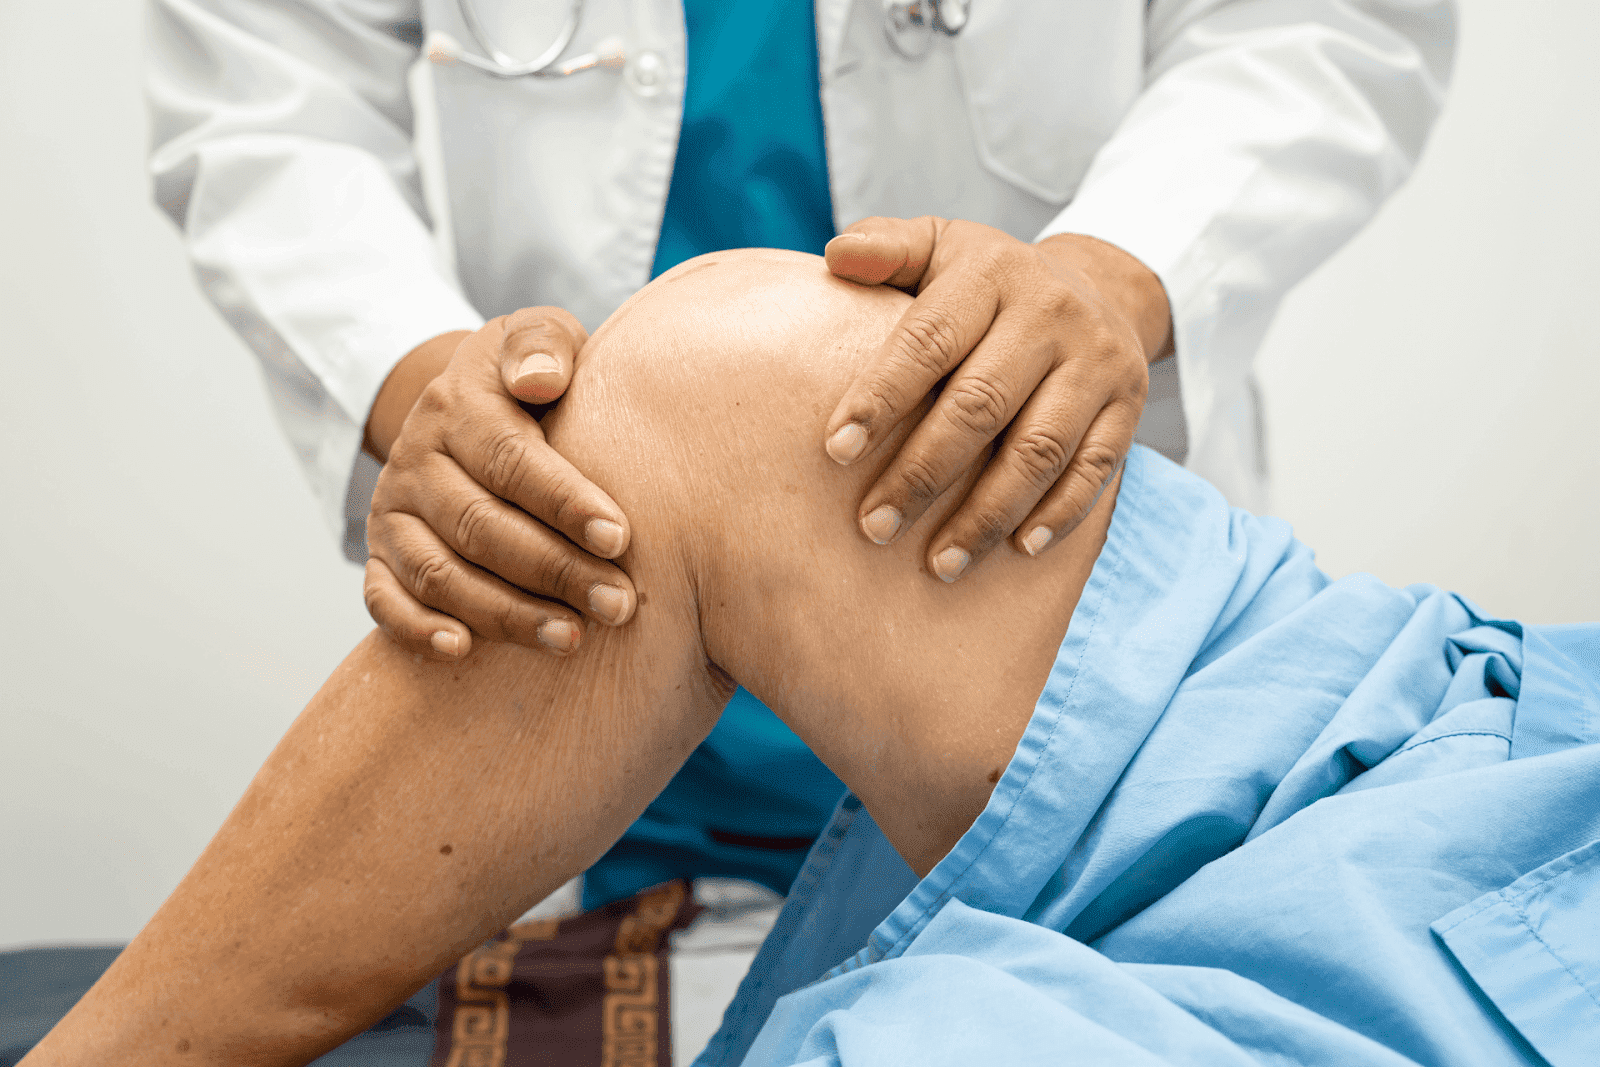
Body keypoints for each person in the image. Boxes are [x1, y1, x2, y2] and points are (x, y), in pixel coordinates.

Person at [24, 251, 1598, 1067]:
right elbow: (274, 108)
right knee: (715, 384)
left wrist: (1135, 267)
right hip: (1515, 749)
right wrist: (446, 389)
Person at [145, 1, 1458, 907]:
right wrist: (416, 376)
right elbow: (271, 101)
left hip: (1050, 679)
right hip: (571, 658)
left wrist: (1123, 272)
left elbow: (1319, 24)